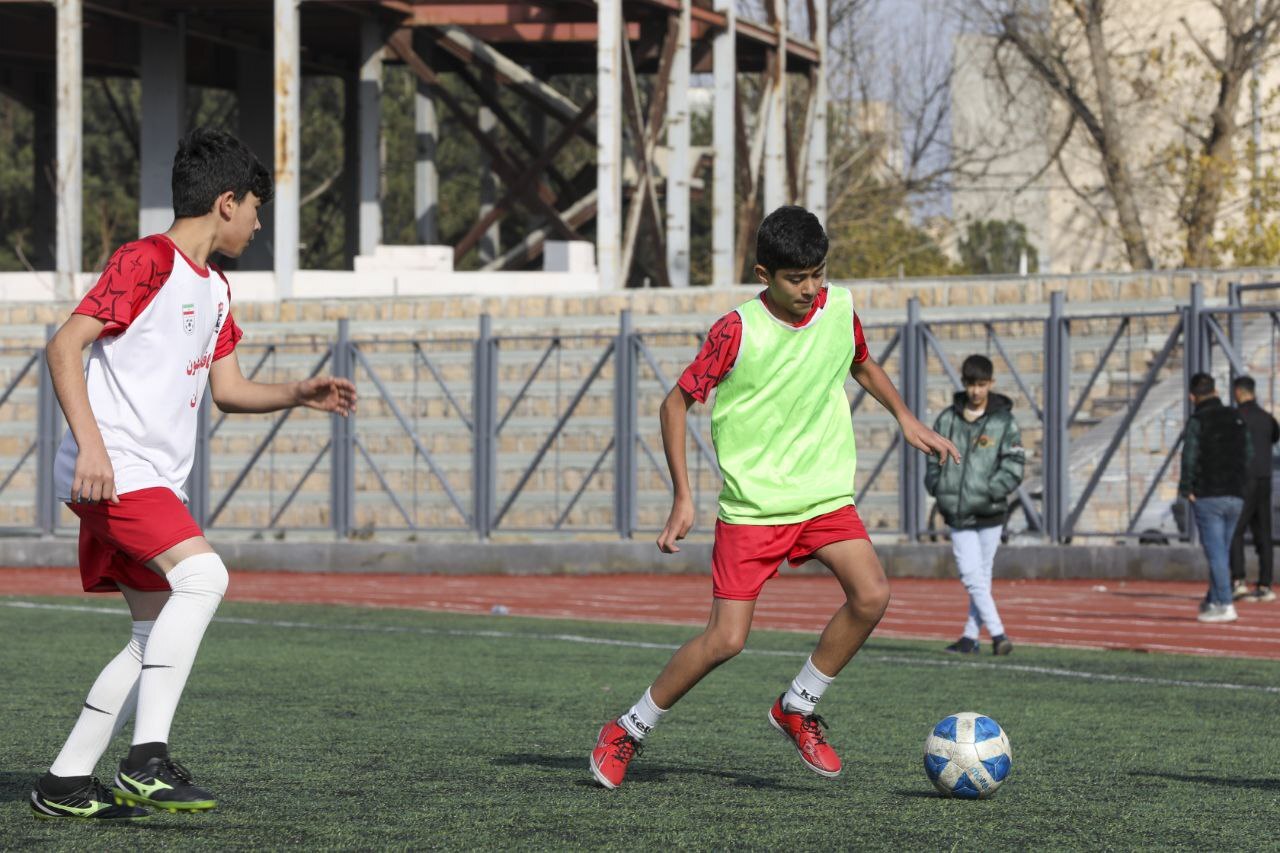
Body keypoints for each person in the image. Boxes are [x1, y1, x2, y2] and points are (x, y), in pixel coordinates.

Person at [31, 128, 357, 821]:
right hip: (116, 472)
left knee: (150, 636)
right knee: (206, 576)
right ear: (227, 201)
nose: (259, 224)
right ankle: (146, 760)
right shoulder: (146, 259)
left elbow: (229, 391)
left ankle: (64, 782)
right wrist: (92, 448)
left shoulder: (217, 289)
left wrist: (297, 392)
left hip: (148, 481)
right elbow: (64, 345)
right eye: (256, 209)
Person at [588, 206, 960, 790]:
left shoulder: (839, 308)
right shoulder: (735, 331)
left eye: (818, 274)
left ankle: (798, 705)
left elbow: (862, 363)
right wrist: (683, 496)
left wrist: (906, 418)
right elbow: (674, 404)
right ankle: (627, 729)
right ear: (764, 275)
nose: (810, 289)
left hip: (822, 494)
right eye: (796, 278)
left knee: (871, 595)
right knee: (726, 640)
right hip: (753, 508)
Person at [924, 354, 1025, 655]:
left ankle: (970, 637)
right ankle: (998, 634)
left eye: (981, 384)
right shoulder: (947, 419)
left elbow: (1014, 464)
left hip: (990, 511)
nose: (976, 391)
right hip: (957, 511)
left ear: (991, 383)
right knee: (972, 575)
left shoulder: (1003, 421)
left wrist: (990, 491)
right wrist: (938, 487)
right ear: (964, 384)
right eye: (971, 384)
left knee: (981, 576)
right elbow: (932, 458)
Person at [1179, 373, 1249, 623]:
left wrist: (1187, 487)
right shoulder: (1236, 416)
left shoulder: (1198, 421)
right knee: (1222, 550)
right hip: (1236, 493)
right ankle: (1212, 600)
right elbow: (1248, 452)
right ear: (1216, 391)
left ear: (1192, 397)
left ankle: (1226, 604)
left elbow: (1189, 455)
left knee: (1216, 553)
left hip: (1209, 494)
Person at [1229, 375, 1278, 602]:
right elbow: (1274, 438)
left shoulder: (1236, 417)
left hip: (1244, 479)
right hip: (1265, 478)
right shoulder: (1268, 418)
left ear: (1238, 392)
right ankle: (1266, 584)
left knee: (1235, 530)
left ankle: (1238, 580)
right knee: (1264, 533)